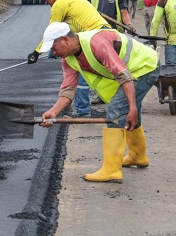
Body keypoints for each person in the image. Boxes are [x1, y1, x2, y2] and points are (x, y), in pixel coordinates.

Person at [38, 22, 160, 183]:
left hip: (144, 67)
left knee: (116, 111)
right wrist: (54, 111)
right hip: (130, 73)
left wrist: (132, 108)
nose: (53, 53)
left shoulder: (96, 43)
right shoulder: (68, 60)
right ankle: (138, 156)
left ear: (65, 40)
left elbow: (123, 75)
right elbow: (68, 90)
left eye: (53, 48)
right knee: (126, 112)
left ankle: (112, 170)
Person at [27, 0, 111, 117]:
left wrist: (36, 52)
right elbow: (67, 31)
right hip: (100, 34)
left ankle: (82, 111)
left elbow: (52, 31)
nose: (46, 1)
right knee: (71, 63)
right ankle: (81, 109)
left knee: (80, 69)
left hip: (94, 38)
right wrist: (53, 49)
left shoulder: (59, 4)